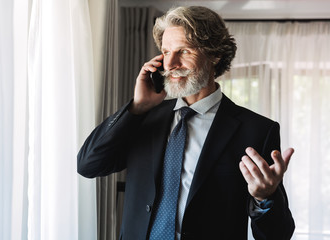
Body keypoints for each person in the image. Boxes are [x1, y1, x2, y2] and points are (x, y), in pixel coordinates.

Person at [78, 6, 295, 240]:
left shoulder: (257, 130)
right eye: (166, 51)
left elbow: (278, 235)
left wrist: (265, 198)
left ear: (215, 55)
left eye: (184, 51)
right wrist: (137, 107)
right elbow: (89, 165)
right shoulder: (143, 117)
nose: (170, 63)